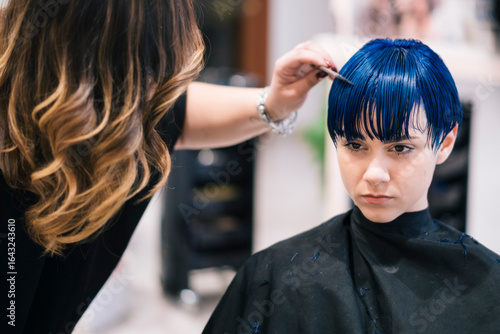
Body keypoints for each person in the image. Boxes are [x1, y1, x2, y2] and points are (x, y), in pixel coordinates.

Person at [0, 1, 335, 333]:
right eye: (147, 77)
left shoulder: (126, 114)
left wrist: (274, 102)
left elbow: (177, 113)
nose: (153, 99)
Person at [202, 38, 500, 334]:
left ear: (445, 143)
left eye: (400, 148)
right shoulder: (272, 275)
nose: (374, 174)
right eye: (355, 145)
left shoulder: (488, 286)